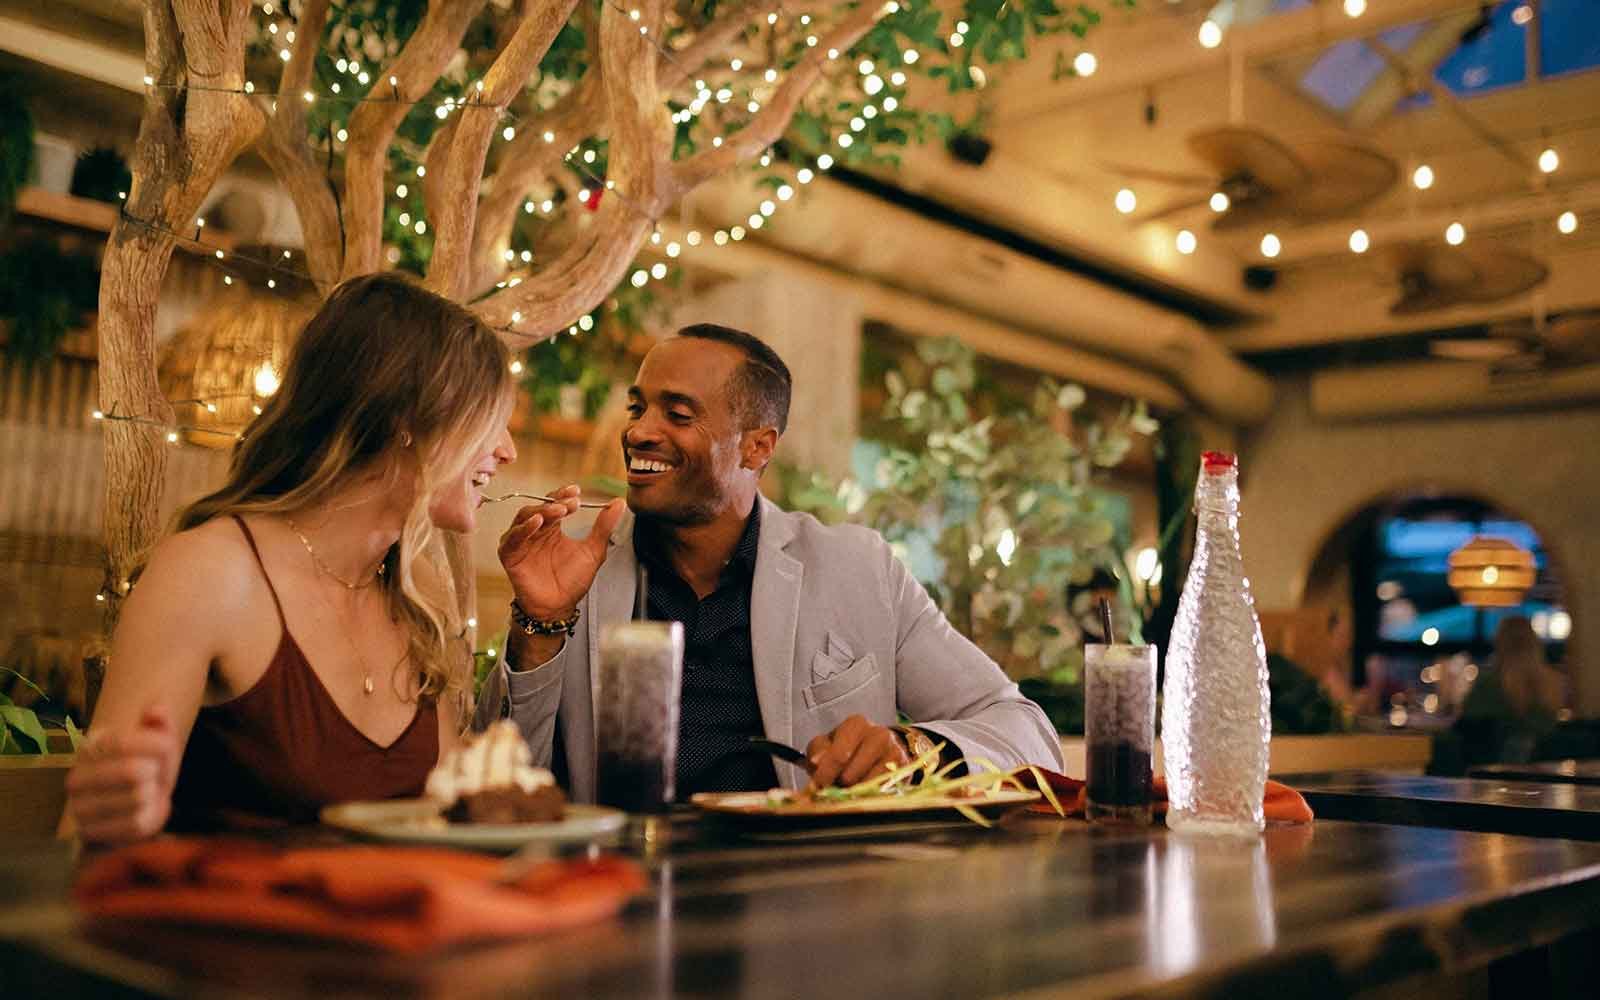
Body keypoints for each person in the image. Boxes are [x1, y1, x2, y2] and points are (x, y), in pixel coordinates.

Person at [478, 324, 1064, 801]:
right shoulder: (580, 570)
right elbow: (498, 776)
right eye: (639, 408)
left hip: (805, 903)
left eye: (678, 415)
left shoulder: (860, 570)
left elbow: (1025, 730)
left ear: (757, 446)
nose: (639, 431)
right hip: (620, 894)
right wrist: (539, 623)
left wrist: (909, 750)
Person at [63, 274, 518, 844]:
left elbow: (441, 826)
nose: (507, 450)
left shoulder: (415, 594)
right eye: (488, 421)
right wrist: (118, 810)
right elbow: (86, 835)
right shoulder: (211, 571)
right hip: (222, 926)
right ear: (407, 421)